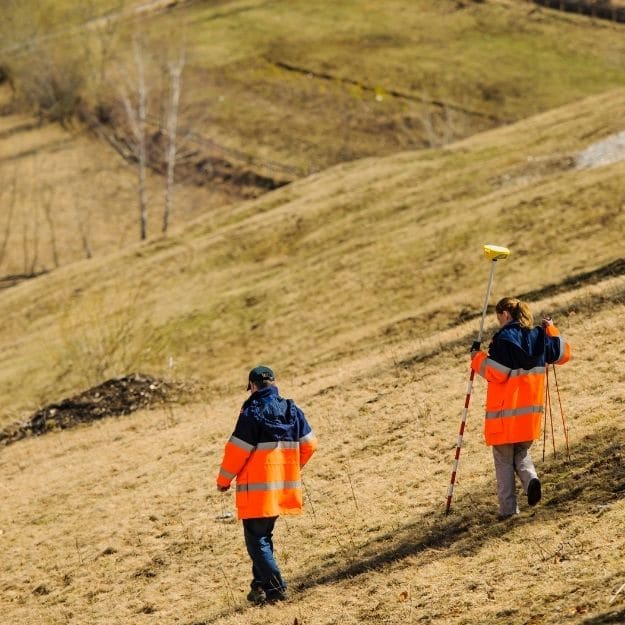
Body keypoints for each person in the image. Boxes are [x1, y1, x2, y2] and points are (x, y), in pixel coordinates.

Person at [216, 365, 317, 604]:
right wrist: (291, 468)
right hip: (283, 488)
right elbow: (310, 444)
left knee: (257, 541)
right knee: (263, 537)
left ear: (252, 386)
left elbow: (236, 451)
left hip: (257, 492)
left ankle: (275, 589)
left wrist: (223, 481)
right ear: (273, 382)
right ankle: (258, 586)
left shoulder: (251, 413)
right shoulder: (292, 409)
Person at [470, 297, 571, 519]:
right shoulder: (538, 335)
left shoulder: (504, 339)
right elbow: (563, 354)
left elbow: (496, 373)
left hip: (504, 414)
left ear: (505, 314)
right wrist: (551, 328)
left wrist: (476, 358)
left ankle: (508, 511)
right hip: (530, 414)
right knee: (521, 452)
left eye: (498, 317)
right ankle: (531, 479)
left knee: (504, 460)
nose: (498, 322)